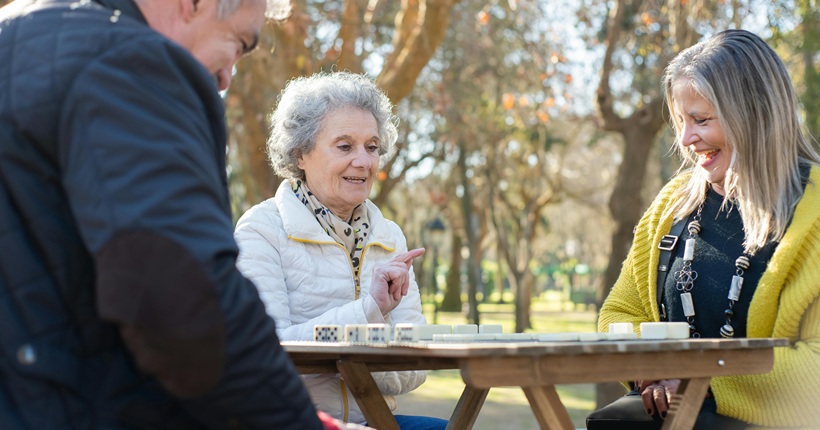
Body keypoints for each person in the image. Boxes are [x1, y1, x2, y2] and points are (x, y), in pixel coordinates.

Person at [0, 1, 373, 429]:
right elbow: (184, 303)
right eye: (237, 43)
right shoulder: (131, 63)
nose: (226, 77)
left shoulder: (16, 34)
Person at [589, 29, 820, 429]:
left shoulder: (813, 214)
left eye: (700, 120)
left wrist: (701, 384)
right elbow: (620, 311)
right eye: (680, 120)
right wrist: (649, 366)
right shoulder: (672, 201)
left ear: (755, 113)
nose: (685, 138)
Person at [234, 71, 448, 430]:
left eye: (373, 147)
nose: (364, 162)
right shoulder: (261, 230)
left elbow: (417, 367)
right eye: (345, 146)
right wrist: (370, 312)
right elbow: (266, 353)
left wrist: (359, 368)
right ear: (301, 154)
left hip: (376, 420)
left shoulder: (389, 235)